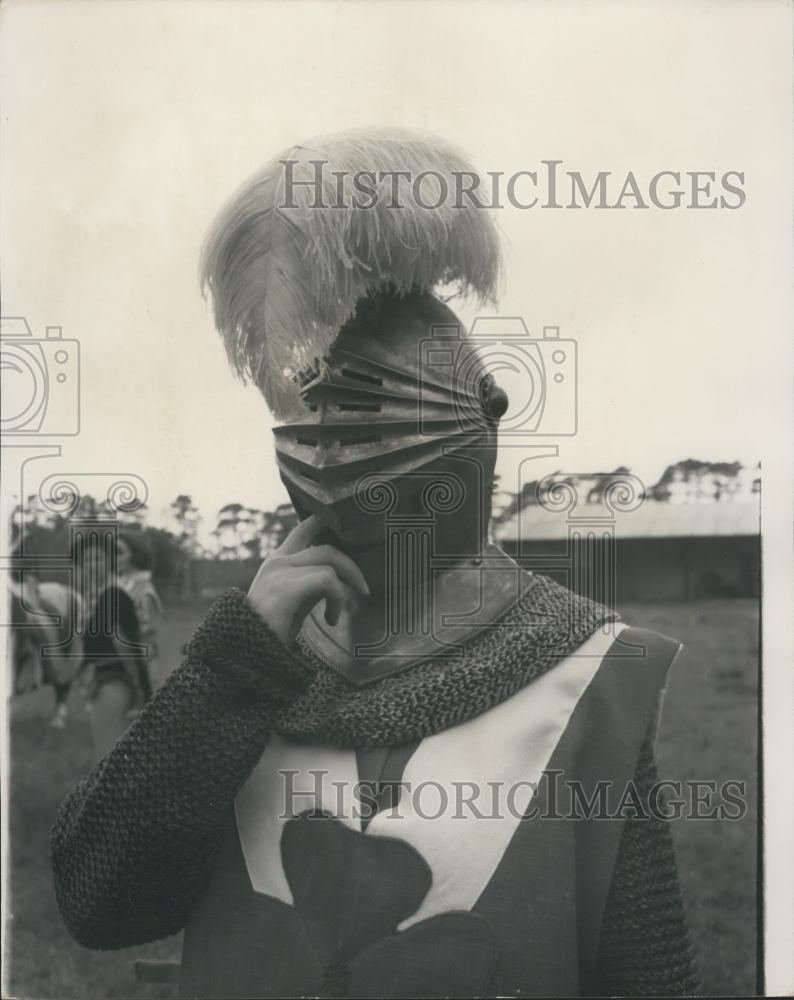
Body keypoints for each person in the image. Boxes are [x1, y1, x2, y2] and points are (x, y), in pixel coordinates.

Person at [51, 130, 700, 997]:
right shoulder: (247, 666)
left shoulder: (594, 678)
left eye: (378, 420)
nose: (335, 459)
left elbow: (641, 973)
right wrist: (228, 670)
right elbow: (103, 907)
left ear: (479, 419)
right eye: (318, 421)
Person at [79, 532, 150, 758]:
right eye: (87, 560)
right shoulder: (96, 598)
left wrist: (141, 693)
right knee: (109, 759)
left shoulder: (114, 596)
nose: (92, 565)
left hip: (114, 683)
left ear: (109, 562)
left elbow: (125, 647)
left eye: (98, 559)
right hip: (100, 683)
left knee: (108, 760)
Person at [116, 531, 162, 689]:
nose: (114, 557)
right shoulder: (121, 586)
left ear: (135, 556)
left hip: (140, 664)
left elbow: (147, 637)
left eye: (120, 552)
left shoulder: (144, 592)